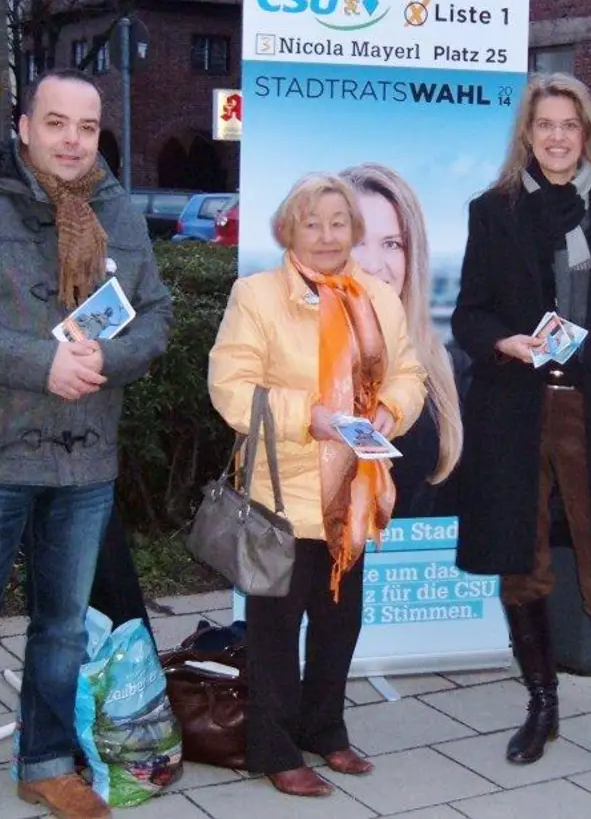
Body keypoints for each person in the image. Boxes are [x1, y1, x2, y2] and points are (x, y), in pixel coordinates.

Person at [0, 69, 175, 819]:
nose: (72, 141)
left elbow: (153, 315)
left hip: (83, 454)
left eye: (86, 128)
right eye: (56, 124)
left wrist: (105, 360)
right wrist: (39, 362)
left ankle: (47, 763)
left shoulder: (116, 211)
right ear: (24, 127)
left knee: (62, 627)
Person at [451, 72, 591, 774]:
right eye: (545, 125)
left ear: (588, 133)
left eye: (570, 125)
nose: (558, 137)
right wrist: (504, 342)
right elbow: (470, 314)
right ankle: (542, 706)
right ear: (528, 134)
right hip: (516, 410)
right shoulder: (494, 210)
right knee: (523, 565)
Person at [207, 173, 426, 797]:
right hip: (281, 497)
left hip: (352, 497)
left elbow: (407, 373)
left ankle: (326, 730)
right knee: (275, 632)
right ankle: (275, 748)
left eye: (339, 222)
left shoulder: (377, 298)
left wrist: (392, 409)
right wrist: (312, 415)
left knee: (339, 623)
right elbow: (231, 388)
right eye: (314, 223)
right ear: (289, 230)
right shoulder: (256, 296)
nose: (328, 235)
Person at [340, 162, 466, 518]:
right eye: (357, 242)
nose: (374, 264)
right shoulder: (292, 352)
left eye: (392, 243)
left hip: (411, 567)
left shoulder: (450, 369)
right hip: (316, 567)